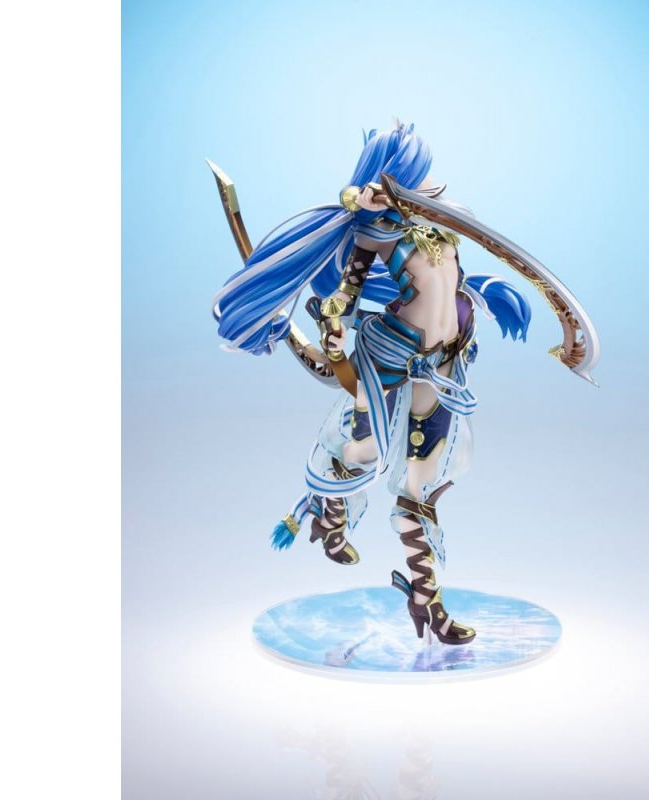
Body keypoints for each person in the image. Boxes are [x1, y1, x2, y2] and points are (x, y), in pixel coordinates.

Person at [214, 122, 531, 644]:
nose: (419, 183)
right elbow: (347, 292)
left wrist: (490, 293)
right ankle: (329, 505)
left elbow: (454, 278)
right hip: (391, 355)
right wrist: (335, 324)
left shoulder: (441, 215)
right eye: (407, 175)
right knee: (366, 452)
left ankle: (425, 599)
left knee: (420, 485)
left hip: (445, 363)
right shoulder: (374, 231)